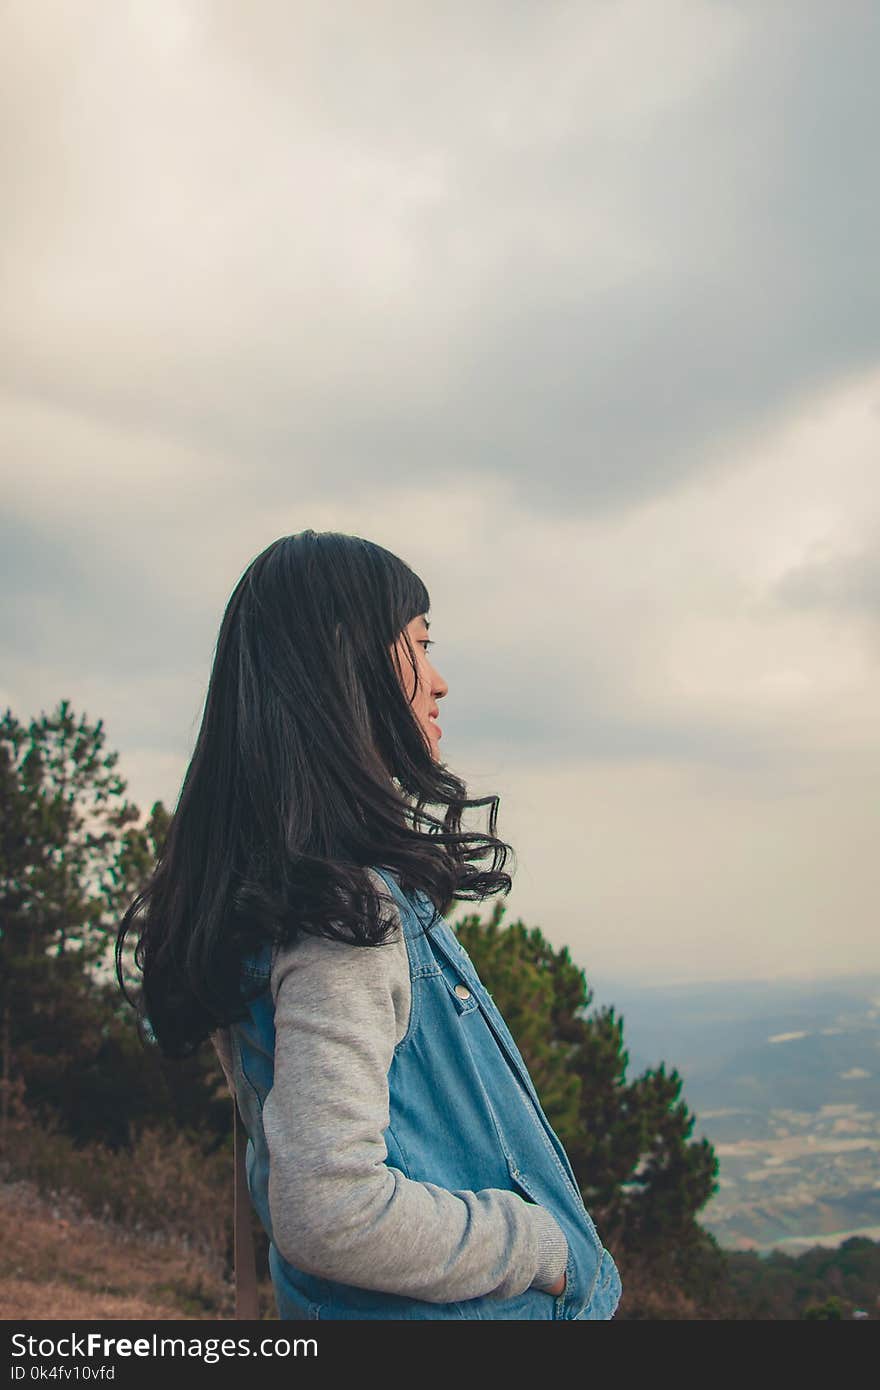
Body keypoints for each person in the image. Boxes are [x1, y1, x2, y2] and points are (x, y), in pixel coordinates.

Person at [116, 530, 622, 1321]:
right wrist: (539, 1245)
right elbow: (332, 1212)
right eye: (420, 643)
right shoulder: (342, 917)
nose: (441, 682)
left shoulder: (287, 894)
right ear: (346, 668)